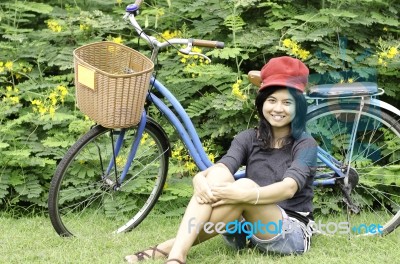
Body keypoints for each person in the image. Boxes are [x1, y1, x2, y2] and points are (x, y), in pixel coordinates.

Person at [125, 56, 318, 264]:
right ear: (262, 102)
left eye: (287, 102)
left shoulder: (306, 144)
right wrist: (200, 179)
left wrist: (244, 193)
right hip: (244, 228)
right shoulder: (248, 138)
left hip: (290, 232)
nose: (278, 109)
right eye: (272, 100)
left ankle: (169, 252)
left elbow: (288, 189)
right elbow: (222, 168)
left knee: (243, 186)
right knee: (217, 175)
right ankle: (176, 256)